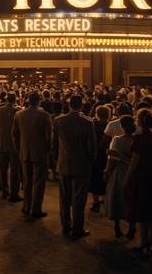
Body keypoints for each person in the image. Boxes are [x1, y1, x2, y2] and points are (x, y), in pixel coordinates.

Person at [51, 94, 96, 239]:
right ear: (82, 106)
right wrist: (91, 161)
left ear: (69, 105)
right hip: (82, 164)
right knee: (79, 198)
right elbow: (92, 147)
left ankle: (65, 224)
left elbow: (54, 144)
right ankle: (78, 228)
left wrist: (56, 159)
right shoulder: (87, 123)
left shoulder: (58, 121)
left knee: (64, 197)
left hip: (64, 163)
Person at [124, 108, 152, 255]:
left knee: (141, 208)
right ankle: (151, 238)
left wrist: (127, 177)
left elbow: (135, 161)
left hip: (141, 176)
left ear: (139, 121)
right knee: (151, 208)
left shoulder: (139, 138)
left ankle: (143, 240)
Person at [12, 90, 52, 219]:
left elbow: (14, 135)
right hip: (40, 152)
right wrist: (49, 151)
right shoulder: (45, 115)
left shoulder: (19, 114)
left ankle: (26, 206)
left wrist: (19, 149)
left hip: (24, 152)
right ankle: (36, 209)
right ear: (39, 101)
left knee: (27, 181)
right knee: (39, 183)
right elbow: (49, 137)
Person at [104, 115, 136, 238]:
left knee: (117, 197)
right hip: (132, 171)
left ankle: (117, 225)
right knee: (130, 198)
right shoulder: (135, 139)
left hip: (119, 170)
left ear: (122, 126)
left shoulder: (118, 140)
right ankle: (132, 227)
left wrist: (106, 171)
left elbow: (112, 158)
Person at [0, 91, 22, 201]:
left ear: (6, 99)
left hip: (1, 143)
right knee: (15, 170)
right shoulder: (18, 111)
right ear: (15, 100)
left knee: (3, 170)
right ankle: (14, 194)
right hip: (14, 146)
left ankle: (4, 191)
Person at [89, 105, 111, 212]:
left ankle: (95, 202)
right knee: (106, 176)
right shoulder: (110, 125)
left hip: (96, 153)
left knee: (95, 177)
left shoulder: (93, 124)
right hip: (107, 154)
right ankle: (105, 199)